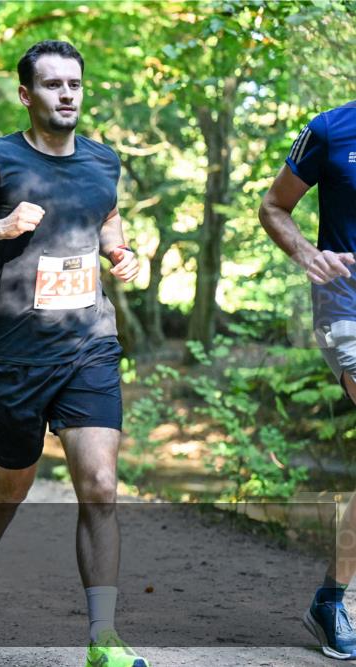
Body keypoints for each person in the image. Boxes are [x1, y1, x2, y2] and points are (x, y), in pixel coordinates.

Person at [0, 41, 147, 667]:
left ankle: (102, 639)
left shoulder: (104, 161)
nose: (67, 94)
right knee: (12, 484)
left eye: (75, 83)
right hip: (18, 355)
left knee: (100, 485)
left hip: (89, 345)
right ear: (27, 95)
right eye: (52, 85)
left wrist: (121, 254)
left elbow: (108, 221)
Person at [259, 101, 356, 660]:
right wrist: (305, 252)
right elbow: (274, 207)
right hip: (348, 306)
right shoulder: (330, 128)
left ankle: (329, 599)